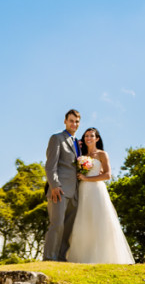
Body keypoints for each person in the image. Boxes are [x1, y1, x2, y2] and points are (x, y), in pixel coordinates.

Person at [66, 127, 135, 264]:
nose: (88, 138)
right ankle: (82, 258)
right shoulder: (80, 155)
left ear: (97, 138)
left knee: (100, 220)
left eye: (91, 136)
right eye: (86, 136)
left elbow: (107, 175)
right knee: (83, 221)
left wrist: (87, 179)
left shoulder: (102, 154)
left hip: (97, 190)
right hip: (83, 190)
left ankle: (104, 258)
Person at [43, 109, 81, 261]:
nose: (74, 124)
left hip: (74, 193)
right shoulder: (57, 138)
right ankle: (49, 258)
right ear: (65, 121)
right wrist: (54, 185)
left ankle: (60, 258)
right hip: (59, 190)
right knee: (57, 225)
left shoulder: (78, 145)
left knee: (67, 229)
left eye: (77, 121)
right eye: (71, 120)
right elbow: (50, 165)